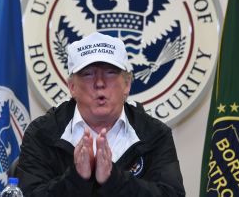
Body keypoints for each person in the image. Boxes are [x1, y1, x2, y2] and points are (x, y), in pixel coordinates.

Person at [16, 32, 185, 196]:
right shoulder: (42, 133)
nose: (99, 83)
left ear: (127, 84)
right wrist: (76, 178)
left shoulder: (154, 134)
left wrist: (114, 179)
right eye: (88, 74)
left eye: (110, 73)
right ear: (72, 87)